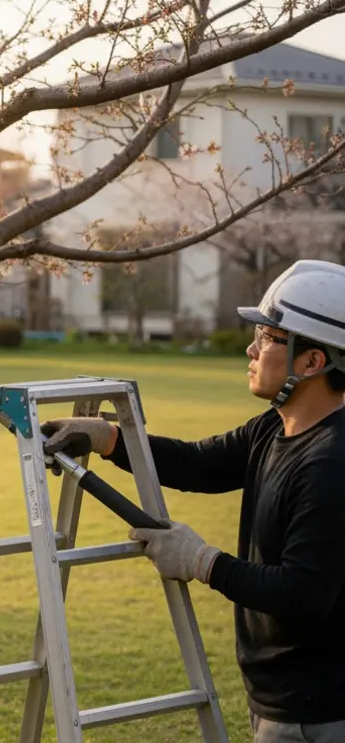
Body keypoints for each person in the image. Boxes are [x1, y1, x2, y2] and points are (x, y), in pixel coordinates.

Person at [40, 259, 345, 742]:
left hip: (317, 714)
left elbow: (303, 594)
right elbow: (201, 463)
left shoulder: (331, 463)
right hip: (285, 701)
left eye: (267, 337)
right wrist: (109, 439)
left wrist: (202, 561)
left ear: (312, 362)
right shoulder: (275, 427)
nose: (251, 347)